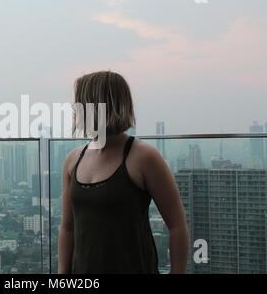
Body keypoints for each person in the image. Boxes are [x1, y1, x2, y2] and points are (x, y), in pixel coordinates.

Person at [58, 70, 189, 274]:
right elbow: (67, 228)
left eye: (80, 103)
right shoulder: (73, 160)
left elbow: (177, 226)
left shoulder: (144, 157)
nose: (75, 110)